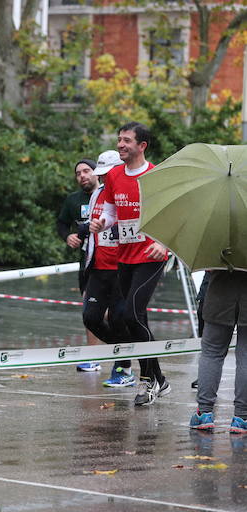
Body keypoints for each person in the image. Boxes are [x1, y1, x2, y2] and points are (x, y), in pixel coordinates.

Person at [90, 122, 169, 406]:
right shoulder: (113, 175)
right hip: (124, 256)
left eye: (126, 141)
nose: (120, 145)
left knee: (134, 312)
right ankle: (159, 378)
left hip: (151, 255)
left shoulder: (155, 175)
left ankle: (149, 381)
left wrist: (164, 243)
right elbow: (111, 211)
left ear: (141, 146)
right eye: (119, 140)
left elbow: (170, 214)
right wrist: (102, 222)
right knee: (130, 318)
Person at [81, 150, 134, 387]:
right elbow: (93, 228)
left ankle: (124, 367)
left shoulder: (128, 192)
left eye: (106, 175)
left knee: (118, 318)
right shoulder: (97, 194)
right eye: (100, 176)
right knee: (90, 318)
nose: (103, 180)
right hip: (98, 267)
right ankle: (124, 352)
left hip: (122, 267)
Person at [56, 157, 103, 372]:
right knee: (89, 308)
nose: (82, 176)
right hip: (86, 262)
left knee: (113, 312)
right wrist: (68, 237)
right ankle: (93, 357)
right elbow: (62, 223)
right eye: (78, 173)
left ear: (97, 172)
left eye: (86, 171)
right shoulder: (73, 200)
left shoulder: (106, 195)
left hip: (111, 260)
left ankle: (124, 360)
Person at [190, 270, 245, 434]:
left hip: (220, 290)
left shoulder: (216, 242)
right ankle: (242, 417)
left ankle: (204, 413)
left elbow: (209, 266)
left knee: (212, 353)